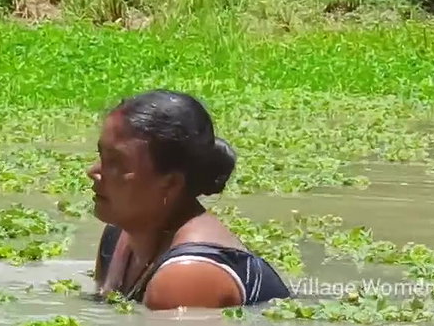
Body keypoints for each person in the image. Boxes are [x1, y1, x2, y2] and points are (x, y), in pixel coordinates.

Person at [88, 90, 290, 309]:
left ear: (171, 182)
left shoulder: (186, 275)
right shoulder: (117, 235)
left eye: (117, 162)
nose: (94, 171)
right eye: (101, 156)